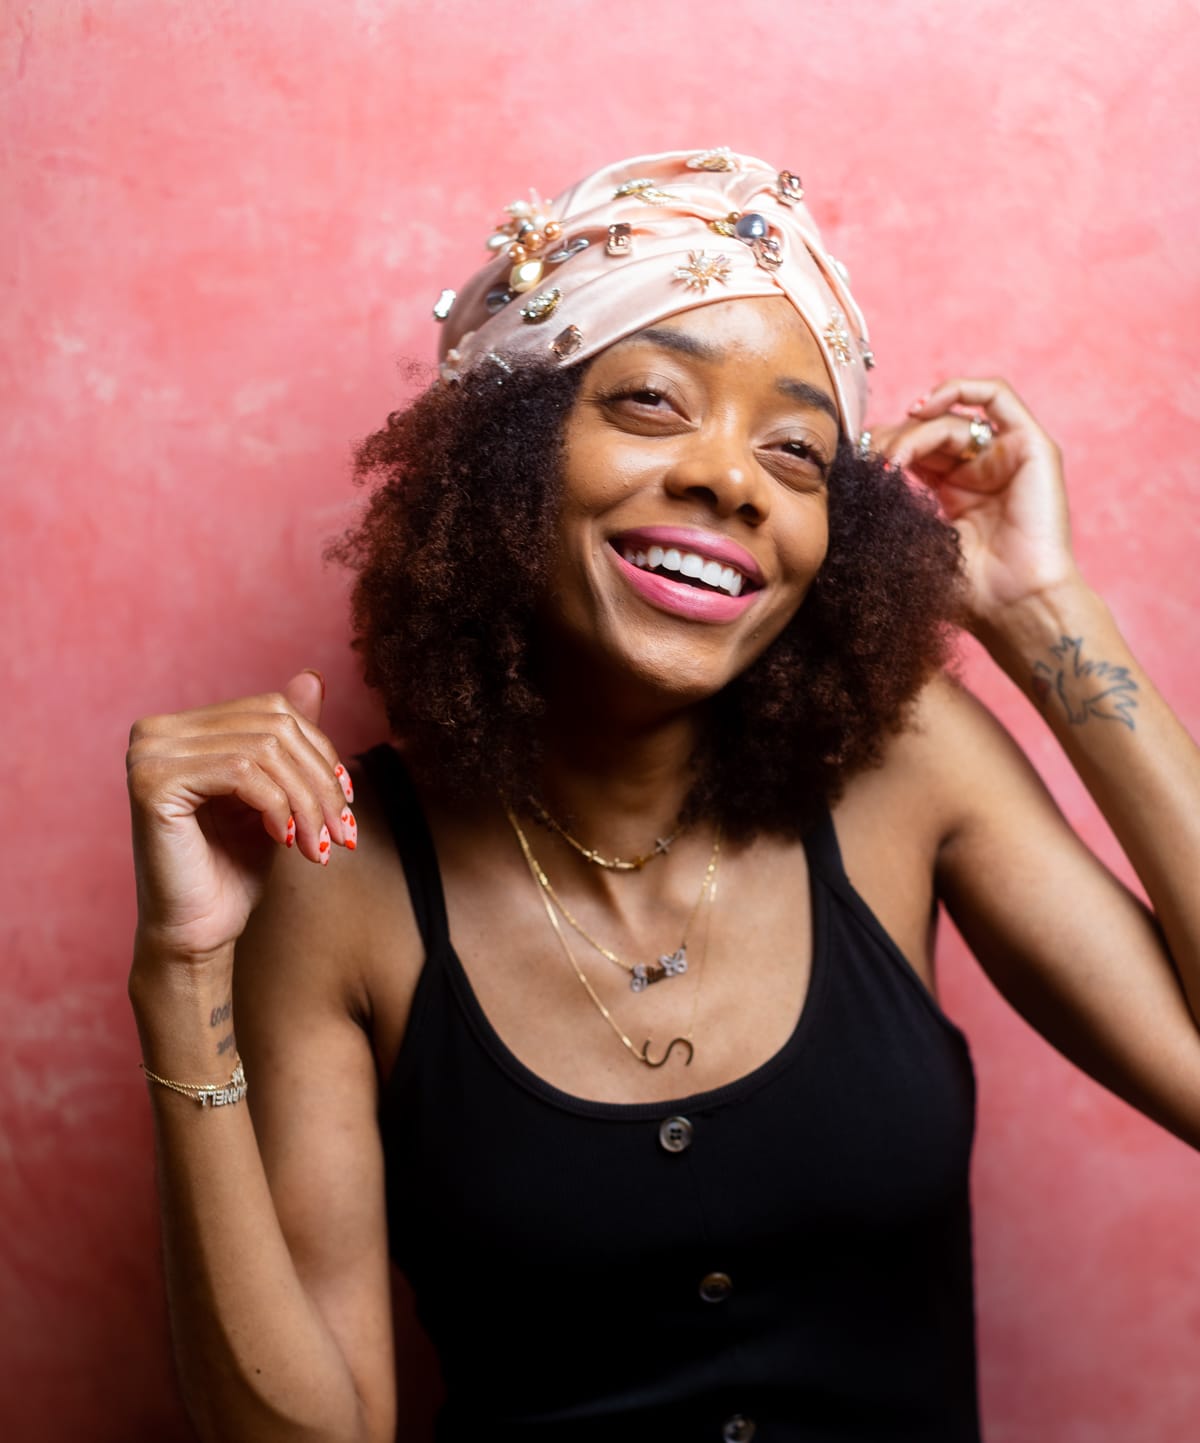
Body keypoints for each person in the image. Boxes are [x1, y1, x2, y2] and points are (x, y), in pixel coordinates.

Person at [125, 149, 1200, 1443]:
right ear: (502, 454)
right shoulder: (339, 872)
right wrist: (182, 980)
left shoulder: (906, 772)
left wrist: (1042, 611)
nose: (731, 478)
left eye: (798, 450)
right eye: (650, 403)